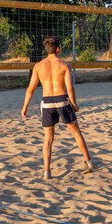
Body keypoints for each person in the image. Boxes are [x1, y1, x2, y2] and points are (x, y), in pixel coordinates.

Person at [21, 36, 96, 180]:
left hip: (47, 102)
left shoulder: (38, 66)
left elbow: (30, 89)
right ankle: (90, 163)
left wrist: (25, 107)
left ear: (46, 49)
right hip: (62, 100)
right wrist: (74, 104)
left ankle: (47, 172)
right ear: (58, 49)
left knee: (48, 139)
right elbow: (69, 87)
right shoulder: (64, 65)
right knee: (76, 132)